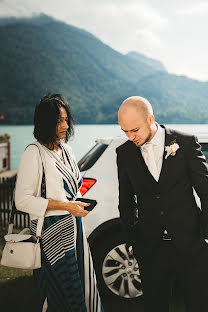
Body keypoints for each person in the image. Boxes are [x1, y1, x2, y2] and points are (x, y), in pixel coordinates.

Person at [116, 96, 208, 312]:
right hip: (150, 249)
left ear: (150, 119)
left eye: (134, 130)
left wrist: (205, 235)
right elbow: (125, 201)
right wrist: (133, 240)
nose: (130, 137)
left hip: (191, 245)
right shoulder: (124, 153)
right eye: (125, 131)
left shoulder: (185, 143)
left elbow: (205, 190)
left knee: (199, 304)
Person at [15, 94, 104, 312]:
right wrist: (66, 206)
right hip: (51, 234)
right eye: (58, 121)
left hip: (75, 230)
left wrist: (76, 203)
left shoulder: (67, 150)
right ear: (46, 123)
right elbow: (22, 201)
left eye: (66, 119)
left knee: (82, 285)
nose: (65, 125)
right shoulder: (34, 153)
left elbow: (70, 190)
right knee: (59, 292)